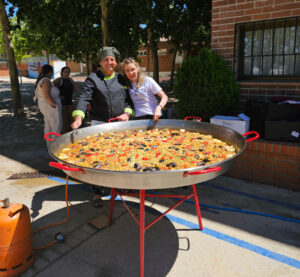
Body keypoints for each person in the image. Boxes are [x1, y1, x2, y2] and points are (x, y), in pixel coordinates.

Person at [71, 46, 134, 207]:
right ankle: (97, 191)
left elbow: (129, 101)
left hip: (120, 125)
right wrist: (78, 118)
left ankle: (120, 185)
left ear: (116, 61)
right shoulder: (92, 79)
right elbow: (84, 98)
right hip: (99, 124)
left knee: (120, 154)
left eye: (112, 59)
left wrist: (127, 114)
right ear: (100, 62)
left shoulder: (121, 79)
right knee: (98, 158)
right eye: (106, 59)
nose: (109, 62)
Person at [122, 57, 168, 122]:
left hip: (153, 116)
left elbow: (164, 97)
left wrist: (159, 108)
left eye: (133, 69)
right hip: (137, 118)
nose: (131, 73)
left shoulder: (148, 80)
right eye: (127, 70)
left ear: (137, 69)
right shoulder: (125, 84)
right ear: (125, 72)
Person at [34, 64, 62, 142]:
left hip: (46, 105)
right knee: (56, 126)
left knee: (49, 125)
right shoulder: (46, 80)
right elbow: (46, 95)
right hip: (49, 106)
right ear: (50, 72)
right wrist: (54, 104)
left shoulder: (41, 80)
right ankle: (55, 146)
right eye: (51, 72)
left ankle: (50, 145)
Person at [53, 67, 82, 134]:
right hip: (62, 104)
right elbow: (50, 89)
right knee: (64, 122)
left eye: (68, 72)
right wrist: (59, 97)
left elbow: (76, 88)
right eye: (66, 72)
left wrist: (85, 94)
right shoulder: (58, 80)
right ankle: (64, 136)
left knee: (72, 120)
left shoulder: (70, 80)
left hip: (70, 103)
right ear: (62, 73)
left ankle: (71, 134)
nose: (67, 73)